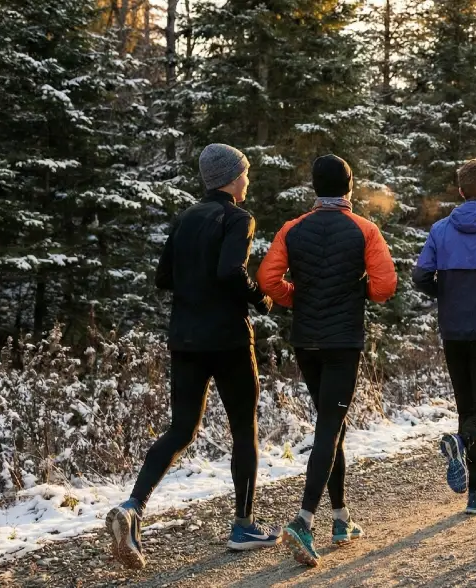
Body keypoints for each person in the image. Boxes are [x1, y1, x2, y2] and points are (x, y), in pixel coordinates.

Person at [106, 143, 278, 570]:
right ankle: (243, 525)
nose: (248, 179)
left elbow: (163, 277)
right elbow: (229, 271)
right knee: (243, 428)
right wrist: (261, 298)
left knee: (181, 428)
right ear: (231, 178)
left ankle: (133, 507)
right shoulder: (239, 218)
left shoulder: (185, 218)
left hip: (184, 340)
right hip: (229, 341)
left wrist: (192, 286)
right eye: (245, 173)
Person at [258, 154, 398, 567]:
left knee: (329, 427)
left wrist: (294, 297)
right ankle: (303, 519)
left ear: (314, 188)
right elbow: (385, 285)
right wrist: (361, 295)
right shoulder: (365, 229)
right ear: (349, 187)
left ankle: (341, 519)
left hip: (307, 341)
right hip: (342, 342)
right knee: (329, 428)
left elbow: (267, 280)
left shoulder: (292, 229)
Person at [412, 159, 476, 515]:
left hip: (454, 330)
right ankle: (460, 447)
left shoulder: (441, 230)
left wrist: (446, 293)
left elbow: (421, 275)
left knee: (465, 407)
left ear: (460, 190)